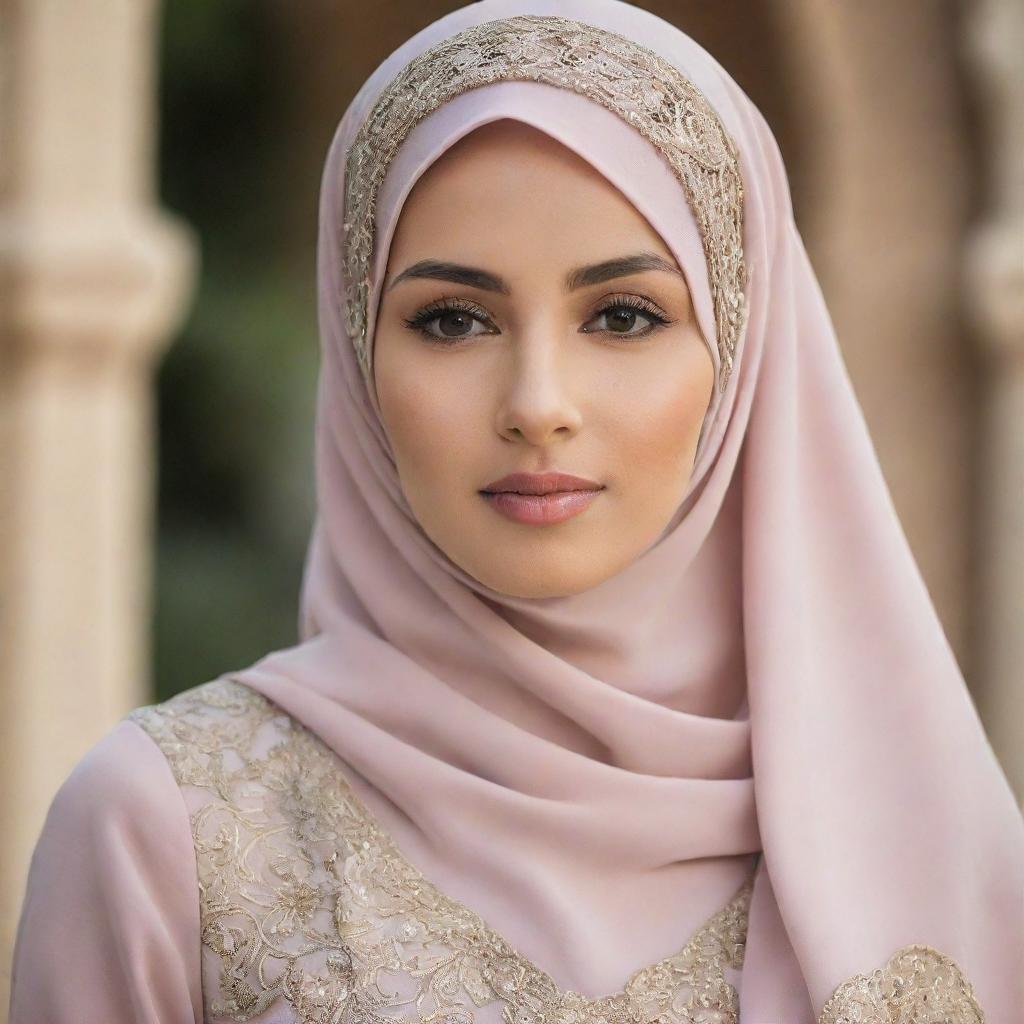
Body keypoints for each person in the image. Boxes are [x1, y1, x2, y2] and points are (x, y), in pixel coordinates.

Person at [9, 1, 1023, 1021]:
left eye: (624, 316)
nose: (538, 402)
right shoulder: (169, 829)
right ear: (359, 357)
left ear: (744, 356)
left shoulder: (926, 835)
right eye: (451, 320)